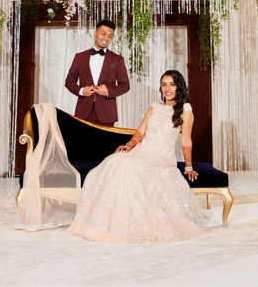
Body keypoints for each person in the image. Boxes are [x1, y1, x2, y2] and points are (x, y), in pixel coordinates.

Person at [68, 70, 208, 243]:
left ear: (179, 87)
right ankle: (105, 222)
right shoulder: (155, 106)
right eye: (164, 85)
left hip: (161, 157)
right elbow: (140, 132)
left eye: (172, 84)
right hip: (143, 150)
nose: (167, 89)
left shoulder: (186, 111)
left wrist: (188, 168)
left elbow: (186, 141)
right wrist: (129, 145)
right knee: (116, 160)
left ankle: (129, 224)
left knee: (130, 168)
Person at [64, 20, 130, 126]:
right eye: (103, 34)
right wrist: (81, 91)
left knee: (106, 143)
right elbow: (69, 81)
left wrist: (108, 91)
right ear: (95, 33)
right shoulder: (79, 57)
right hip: (83, 112)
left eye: (110, 36)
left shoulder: (117, 60)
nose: (106, 38)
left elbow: (125, 86)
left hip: (107, 114)